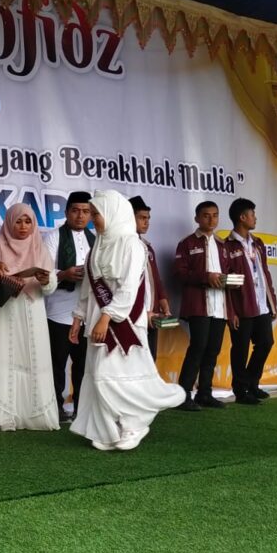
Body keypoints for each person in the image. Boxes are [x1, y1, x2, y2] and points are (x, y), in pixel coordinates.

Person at [70, 191, 186, 450]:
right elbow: (89, 288)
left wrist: (106, 317)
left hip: (124, 323)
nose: (92, 219)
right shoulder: (98, 245)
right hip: (98, 321)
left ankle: (135, 424)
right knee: (99, 376)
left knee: (116, 376)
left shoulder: (132, 244)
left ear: (112, 213)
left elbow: (129, 288)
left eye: (96, 214)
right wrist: (79, 317)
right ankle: (108, 430)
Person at [0, 204, 59, 431]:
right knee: (4, 357)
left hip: (32, 308)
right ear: (9, 222)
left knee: (34, 356)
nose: (23, 226)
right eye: (18, 221)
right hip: (6, 309)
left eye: (28, 221)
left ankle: (35, 414)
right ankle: (4, 415)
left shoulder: (39, 246)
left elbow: (51, 284)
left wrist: (46, 281)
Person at [173, 201, 235, 411]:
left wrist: (231, 282)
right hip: (199, 305)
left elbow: (228, 274)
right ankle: (183, 395)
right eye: (206, 215)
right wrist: (205, 277)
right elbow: (180, 273)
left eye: (215, 215)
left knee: (213, 350)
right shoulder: (187, 243)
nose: (211, 219)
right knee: (198, 347)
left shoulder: (223, 245)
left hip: (220, 306)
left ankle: (205, 393)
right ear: (197, 218)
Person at [41, 191, 93, 419]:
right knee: (57, 363)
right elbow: (44, 272)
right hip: (59, 311)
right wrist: (64, 274)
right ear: (66, 212)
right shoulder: (53, 237)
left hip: (87, 313)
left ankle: (83, 408)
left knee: (83, 364)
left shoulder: (96, 239)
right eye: (75, 211)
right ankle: (57, 408)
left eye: (85, 212)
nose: (80, 216)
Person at [223, 198, 276, 405]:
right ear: (242, 217)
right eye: (252, 214)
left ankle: (252, 383)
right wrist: (231, 311)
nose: (255, 218)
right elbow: (226, 283)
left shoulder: (258, 243)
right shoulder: (226, 246)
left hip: (261, 303)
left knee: (266, 342)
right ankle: (240, 390)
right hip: (241, 306)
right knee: (240, 348)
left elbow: (265, 274)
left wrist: (272, 301)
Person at [129, 196, 171, 360]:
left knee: (151, 358)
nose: (146, 222)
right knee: (134, 360)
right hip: (132, 315)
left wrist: (163, 302)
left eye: (148, 218)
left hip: (152, 313)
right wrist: (140, 312)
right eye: (142, 218)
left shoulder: (147, 247)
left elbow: (156, 279)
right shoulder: (123, 246)